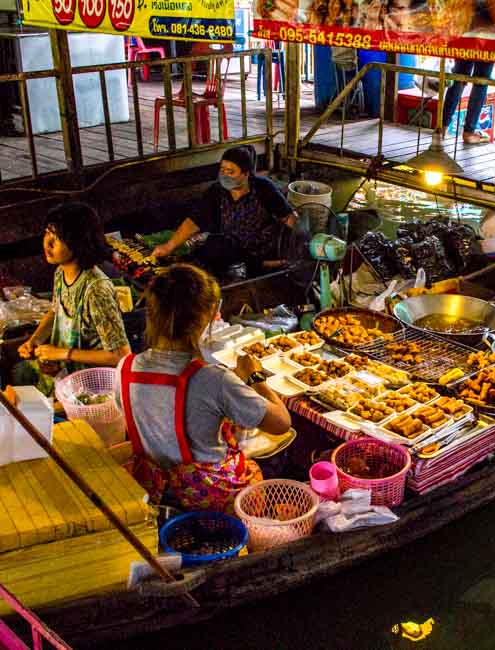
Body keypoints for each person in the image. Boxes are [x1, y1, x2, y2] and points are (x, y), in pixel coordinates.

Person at [115, 264, 291, 513]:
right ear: (207, 315)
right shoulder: (212, 379)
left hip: (151, 484)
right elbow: (281, 423)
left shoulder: (125, 367)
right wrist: (255, 376)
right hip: (206, 493)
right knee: (278, 458)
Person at [15, 203, 130, 395]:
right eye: (47, 233)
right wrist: (34, 341)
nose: (47, 243)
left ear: (78, 242)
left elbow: (121, 355)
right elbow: (55, 311)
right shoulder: (61, 273)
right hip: (66, 369)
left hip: (94, 383)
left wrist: (62, 354)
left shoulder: (96, 290)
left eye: (57, 238)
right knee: (21, 372)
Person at [152, 145, 296, 276]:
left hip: (260, 248)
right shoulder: (217, 191)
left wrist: (302, 241)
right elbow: (194, 221)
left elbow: (288, 217)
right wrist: (168, 246)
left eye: (231, 172)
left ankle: (266, 264)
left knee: (225, 252)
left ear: (246, 174)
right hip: (231, 246)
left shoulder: (263, 188)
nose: (225, 175)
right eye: (222, 170)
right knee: (214, 245)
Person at [441, 59, 494, 145]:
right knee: (481, 80)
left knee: (458, 75)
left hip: (467, 46)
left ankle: (442, 127)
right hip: (488, 46)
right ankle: (469, 132)